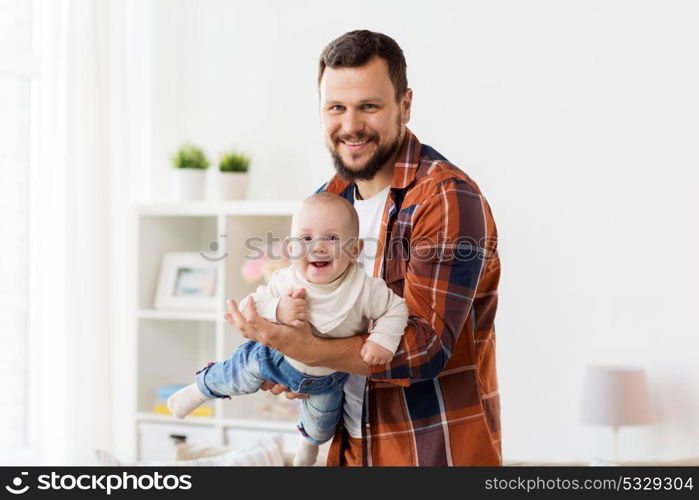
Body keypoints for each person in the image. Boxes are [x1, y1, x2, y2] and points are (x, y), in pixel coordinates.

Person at [225, 30, 501, 466]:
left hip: (426, 451)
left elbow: (424, 346)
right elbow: (315, 318)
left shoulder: (444, 196)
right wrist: (289, 362)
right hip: (348, 447)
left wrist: (307, 349)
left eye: (368, 106)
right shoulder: (329, 199)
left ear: (404, 105)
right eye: (336, 107)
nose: (350, 126)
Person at [167, 192, 408, 466]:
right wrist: (278, 308)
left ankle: (307, 445)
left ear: (354, 250)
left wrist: (382, 341)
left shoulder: (364, 289)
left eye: (331, 238)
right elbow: (251, 305)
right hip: (276, 359)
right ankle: (200, 390)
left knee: (322, 424)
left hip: (327, 377)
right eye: (306, 239)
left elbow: (396, 309)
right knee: (238, 374)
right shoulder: (286, 280)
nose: (317, 247)